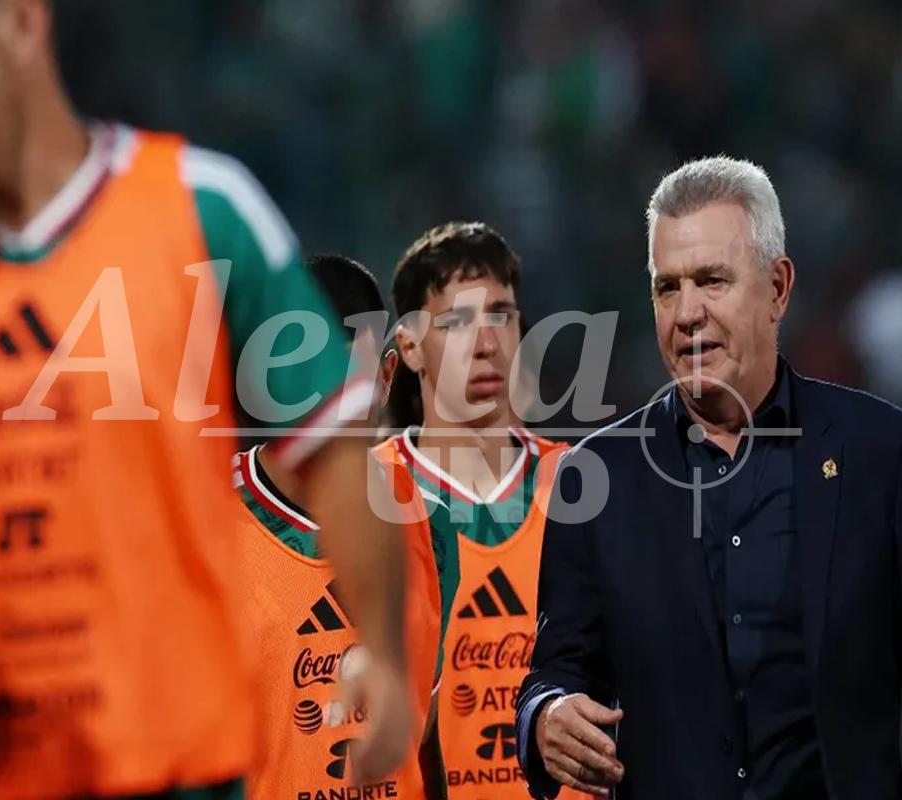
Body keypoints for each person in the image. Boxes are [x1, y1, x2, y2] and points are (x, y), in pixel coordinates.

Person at [0, 1, 411, 798]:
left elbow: (337, 447)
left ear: (22, 23)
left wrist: (381, 649)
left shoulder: (199, 208)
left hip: (171, 768)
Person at [516, 156, 902, 800]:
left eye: (712, 280)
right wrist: (546, 716)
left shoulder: (881, 453)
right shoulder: (596, 477)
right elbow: (557, 671)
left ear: (777, 288)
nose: (687, 312)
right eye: (667, 288)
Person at [238, 253, 450, 800]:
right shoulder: (207, 525)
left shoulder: (428, 522)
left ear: (386, 377)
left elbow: (428, 743)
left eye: (350, 386)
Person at [385, 222, 585, 800]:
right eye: (455, 322)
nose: (486, 342)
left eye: (501, 314)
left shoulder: (579, 484)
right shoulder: (369, 495)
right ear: (410, 347)